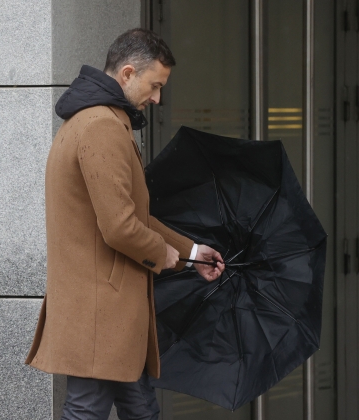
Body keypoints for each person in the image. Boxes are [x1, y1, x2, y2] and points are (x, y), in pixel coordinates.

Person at [25, 28, 226, 420]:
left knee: (140, 408)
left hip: (107, 310)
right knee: (88, 410)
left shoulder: (94, 121)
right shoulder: (101, 127)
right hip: (102, 311)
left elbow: (134, 216)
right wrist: (164, 255)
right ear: (128, 73)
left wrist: (192, 253)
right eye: (154, 85)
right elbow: (120, 227)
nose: (157, 98)